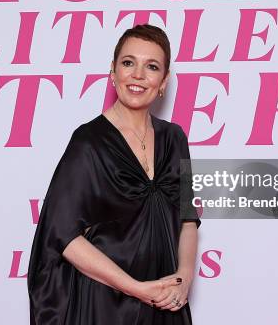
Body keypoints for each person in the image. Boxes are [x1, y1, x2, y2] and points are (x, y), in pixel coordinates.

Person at [27, 24, 201, 325]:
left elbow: (188, 219)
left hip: (165, 302)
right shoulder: (88, 141)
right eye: (128, 62)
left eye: (152, 66)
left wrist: (183, 279)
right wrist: (135, 289)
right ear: (113, 71)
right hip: (105, 304)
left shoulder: (175, 139)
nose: (138, 75)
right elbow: (64, 237)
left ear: (164, 80)